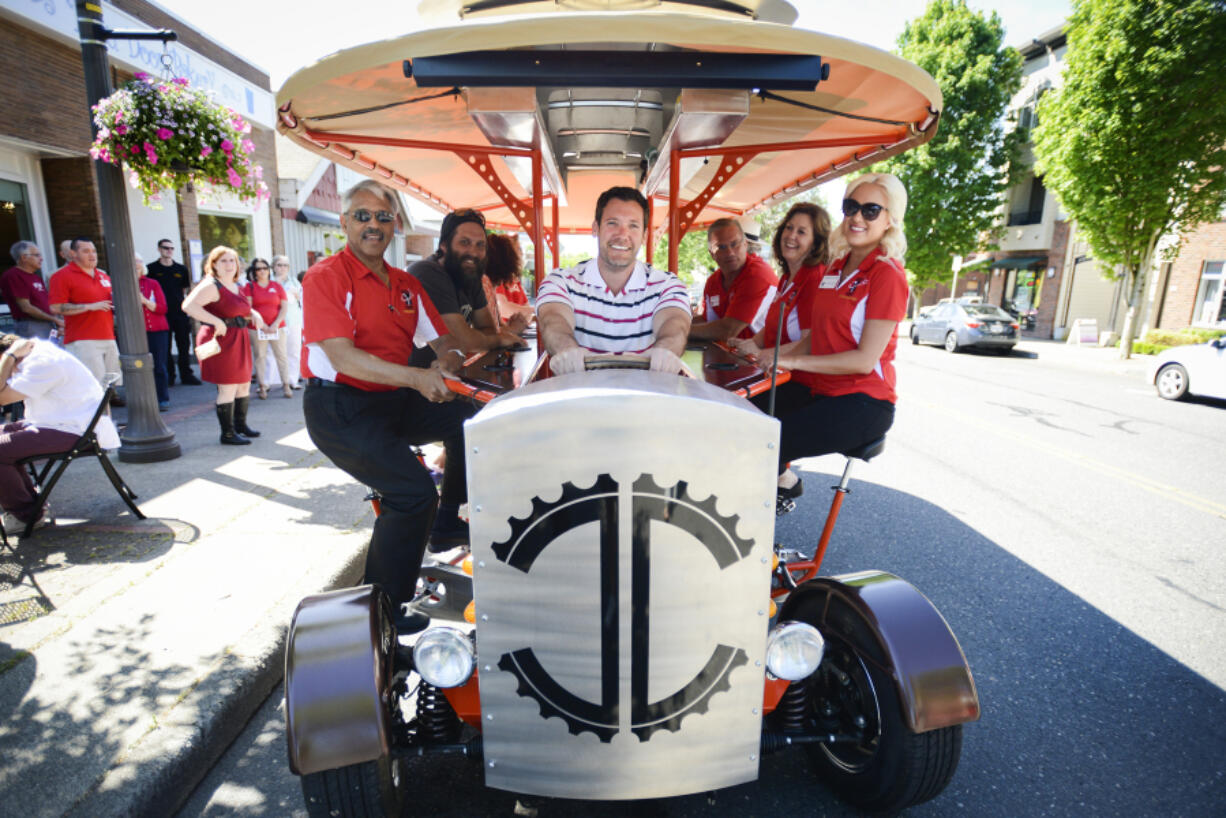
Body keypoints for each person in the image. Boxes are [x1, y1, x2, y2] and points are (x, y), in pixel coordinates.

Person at [301, 179, 476, 632]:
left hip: (390, 402)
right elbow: (342, 357)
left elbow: (444, 344)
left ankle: (451, 522)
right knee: (412, 495)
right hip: (340, 410)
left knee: (473, 417)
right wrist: (419, 378)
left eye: (382, 217)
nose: (373, 225)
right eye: (362, 216)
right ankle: (381, 613)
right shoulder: (326, 277)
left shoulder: (403, 285)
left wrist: (448, 367)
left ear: (395, 225)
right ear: (344, 223)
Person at [769, 173, 909, 509]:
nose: (858, 217)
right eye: (851, 207)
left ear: (890, 220)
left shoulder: (887, 274)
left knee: (764, 442)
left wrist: (792, 362)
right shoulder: (836, 267)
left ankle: (763, 520)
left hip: (863, 402)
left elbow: (863, 359)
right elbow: (816, 335)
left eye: (871, 210)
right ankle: (771, 493)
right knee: (741, 419)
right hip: (821, 389)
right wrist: (769, 357)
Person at [536, 186, 691, 374]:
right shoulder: (561, 281)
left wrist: (667, 350)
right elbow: (553, 320)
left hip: (645, 398)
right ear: (596, 229)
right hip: (581, 397)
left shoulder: (667, 285)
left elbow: (675, 323)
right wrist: (565, 348)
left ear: (644, 236)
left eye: (633, 225)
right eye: (612, 223)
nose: (622, 234)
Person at [0, 333, 120, 532]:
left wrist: (8, 357)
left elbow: (1, 398)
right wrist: (10, 358)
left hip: (75, 430)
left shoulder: (42, 362)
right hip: (60, 422)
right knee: (5, 442)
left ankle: (27, 515)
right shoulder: (35, 355)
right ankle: (27, 505)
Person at [408, 208, 522, 368]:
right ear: (444, 245)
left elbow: (488, 329)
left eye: (480, 245)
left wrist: (480, 339)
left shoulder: (469, 276)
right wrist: (497, 340)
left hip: (449, 378)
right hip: (415, 384)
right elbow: (461, 339)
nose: (473, 253)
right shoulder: (426, 272)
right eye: (464, 242)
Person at [182, 246, 265, 445]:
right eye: (224, 261)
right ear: (214, 265)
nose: (229, 265)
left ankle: (240, 426)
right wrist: (215, 321)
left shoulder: (236, 284)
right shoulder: (211, 285)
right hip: (221, 340)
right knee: (228, 387)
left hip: (239, 338)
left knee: (243, 384)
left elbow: (239, 307)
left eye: (232, 261)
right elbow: (188, 305)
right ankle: (227, 434)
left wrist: (254, 314)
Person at [732, 201, 832, 360]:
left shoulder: (814, 278)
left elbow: (810, 343)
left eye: (801, 232)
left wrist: (760, 354)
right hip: (775, 371)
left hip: (797, 378)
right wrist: (749, 344)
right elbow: (773, 326)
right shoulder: (787, 276)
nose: (791, 236)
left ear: (815, 243)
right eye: (789, 227)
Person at [48, 237, 123, 405]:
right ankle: (96, 426)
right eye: (86, 251)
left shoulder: (102, 275)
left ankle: (106, 425)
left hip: (108, 336)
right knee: (93, 388)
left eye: (94, 251)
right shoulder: (62, 276)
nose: (92, 255)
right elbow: (56, 307)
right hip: (83, 339)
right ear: (73, 254)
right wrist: (90, 307)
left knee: (110, 387)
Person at [688, 217, 778, 342]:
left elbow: (728, 330)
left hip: (763, 358)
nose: (730, 252)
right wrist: (674, 322)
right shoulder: (713, 281)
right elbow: (708, 321)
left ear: (745, 244)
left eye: (734, 244)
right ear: (712, 254)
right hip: (731, 355)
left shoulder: (758, 274)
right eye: (721, 247)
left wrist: (679, 331)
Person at [147, 238, 202, 386]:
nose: (169, 251)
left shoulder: (181, 269)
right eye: (165, 248)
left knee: (184, 344)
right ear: (159, 249)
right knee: (166, 346)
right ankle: (169, 375)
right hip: (162, 313)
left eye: (171, 248)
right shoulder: (151, 269)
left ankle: (186, 374)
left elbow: (184, 290)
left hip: (179, 312)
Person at [243, 258, 292, 399]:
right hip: (257, 328)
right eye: (258, 269)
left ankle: (286, 385)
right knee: (260, 357)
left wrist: (276, 323)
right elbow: (248, 308)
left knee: (282, 356)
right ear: (254, 271)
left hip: (277, 327)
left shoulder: (276, 286)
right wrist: (263, 325)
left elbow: (284, 307)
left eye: (265, 268)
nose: (262, 271)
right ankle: (262, 386)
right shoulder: (250, 287)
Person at [1, 242, 63, 340]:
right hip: (31, 325)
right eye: (37, 255)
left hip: (48, 323)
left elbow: (45, 303)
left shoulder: (35, 277)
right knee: (40, 354)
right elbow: (26, 307)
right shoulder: (13, 276)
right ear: (24, 257)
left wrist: (57, 321)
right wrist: (54, 319)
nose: (41, 259)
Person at [136, 252, 171, 412]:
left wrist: (145, 301)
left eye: (138, 262)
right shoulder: (122, 285)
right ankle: (143, 400)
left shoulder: (152, 283)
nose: (136, 265)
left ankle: (162, 398)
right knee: (138, 367)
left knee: (159, 366)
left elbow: (163, 308)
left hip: (157, 330)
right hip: (137, 332)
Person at [482, 233, 534, 332]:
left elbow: (498, 324)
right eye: (519, 249)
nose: (521, 254)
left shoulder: (492, 284)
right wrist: (513, 329)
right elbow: (489, 333)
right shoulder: (485, 285)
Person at [272, 255, 303, 389]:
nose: (283, 268)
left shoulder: (294, 282)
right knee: (276, 352)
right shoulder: (270, 282)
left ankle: (293, 380)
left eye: (285, 265)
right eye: (279, 265)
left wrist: (298, 296)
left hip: (293, 319)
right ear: (274, 267)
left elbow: (302, 299)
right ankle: (276, 380)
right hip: (276, 321)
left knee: (294, 351)